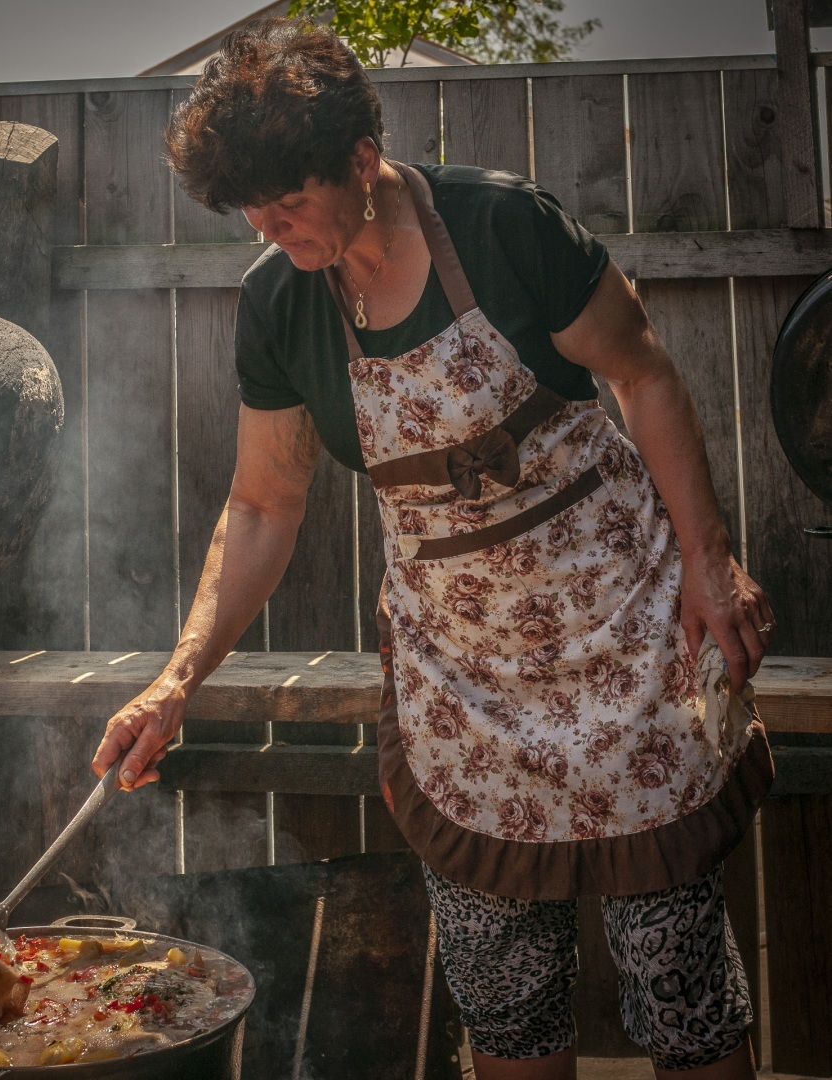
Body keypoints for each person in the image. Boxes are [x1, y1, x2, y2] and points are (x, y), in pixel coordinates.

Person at [93, 17, 775, 1080]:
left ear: (361, 161)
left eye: (289, 199)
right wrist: (178, 678)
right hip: (462, 684)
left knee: (672, 967)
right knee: (502, 993)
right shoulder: (277, 304)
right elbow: (264, 503)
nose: (268, 227)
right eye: (248, 210)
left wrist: (709, 558)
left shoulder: (502, 226)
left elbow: (642, 374)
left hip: (621, 636)